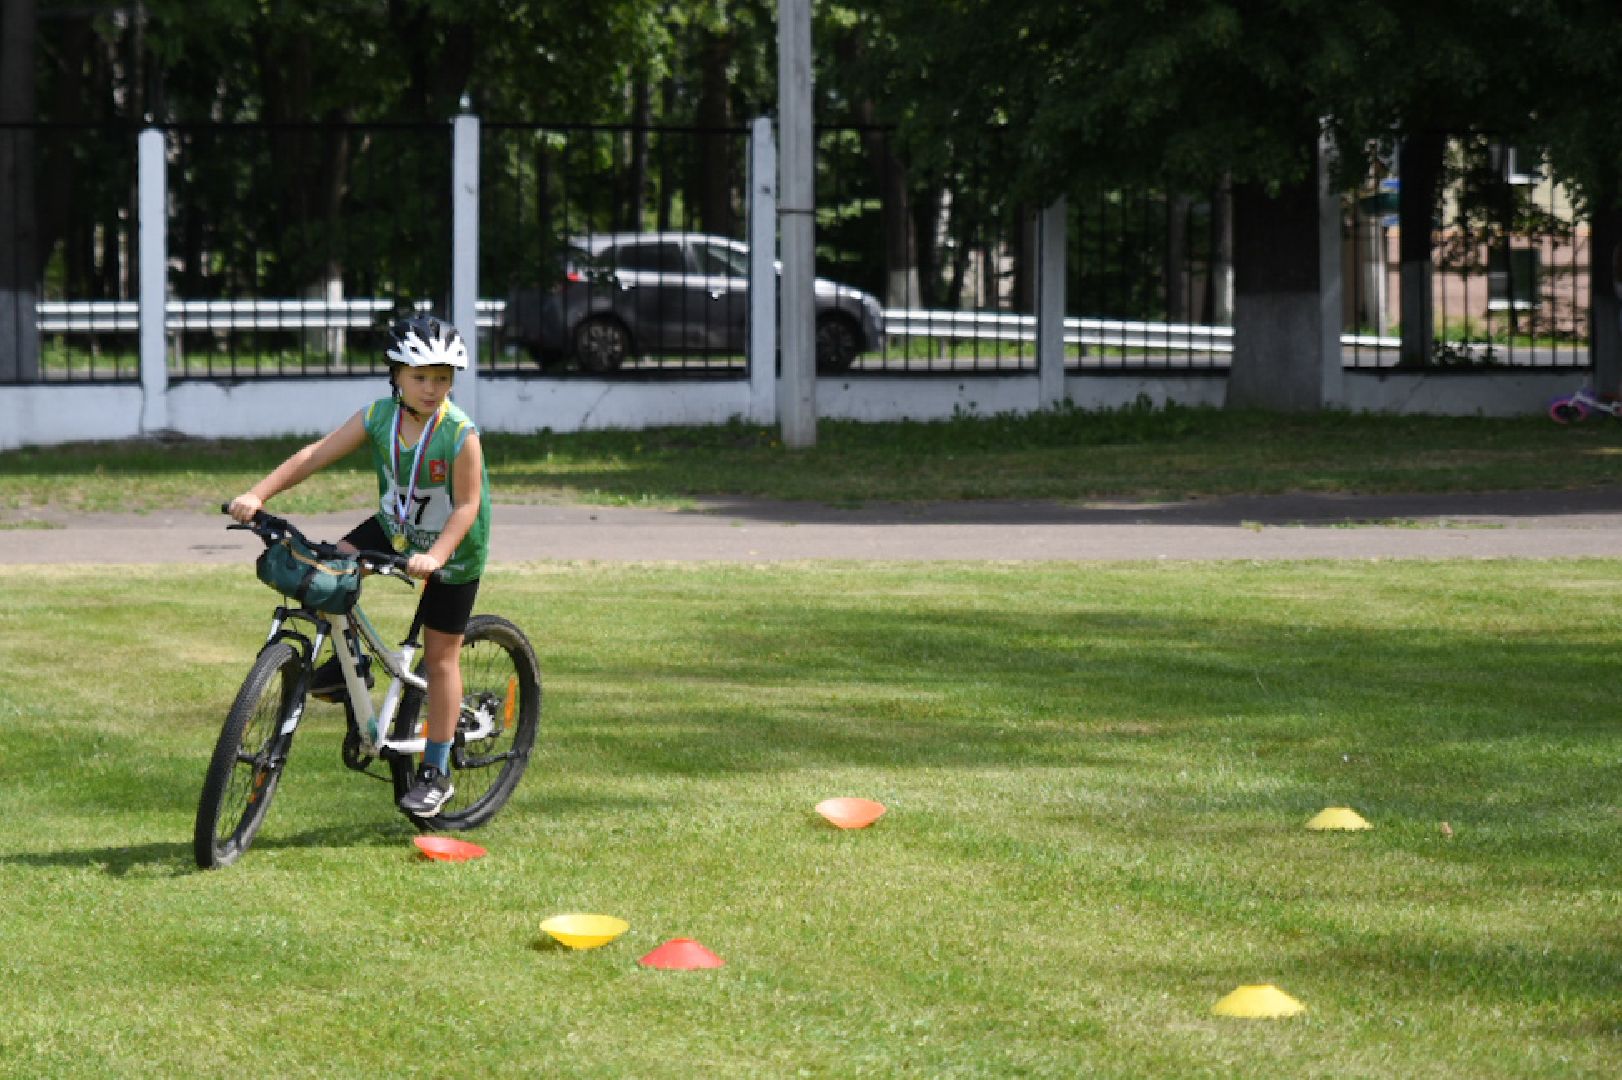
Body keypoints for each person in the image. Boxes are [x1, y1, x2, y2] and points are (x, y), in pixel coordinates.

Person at [228, 314, 491, 818]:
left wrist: (436, 557)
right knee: (322, 574)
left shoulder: (460, 434)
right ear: (396, 375)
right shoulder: (378, 418)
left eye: (442, 378)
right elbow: (314, 456)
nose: (432, 388)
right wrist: (257, 495)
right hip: (395, 528)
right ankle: (347, 670)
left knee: (440, 657)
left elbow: (466, 506)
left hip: (452, 548)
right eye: (420, 377)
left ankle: (436, 772)